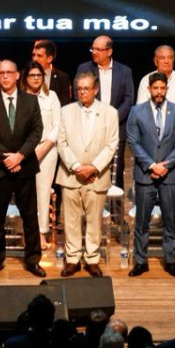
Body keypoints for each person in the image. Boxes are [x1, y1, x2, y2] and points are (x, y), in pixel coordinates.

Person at [0, 60, 45, 277]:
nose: (5, 76)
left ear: (18, 76)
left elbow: (37, 131)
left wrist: (20, 156)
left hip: (24, 168)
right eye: (1, 73)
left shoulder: (30, 101)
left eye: (9, 73)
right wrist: (6, 158)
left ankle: (33, 260)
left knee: (29, 218)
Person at [56, 71, 120, 277]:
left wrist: (93, 167)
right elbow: (61, 142)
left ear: (95, 89)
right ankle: (72, 258)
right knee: (71, 219)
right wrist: (76, 166)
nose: (82, 92)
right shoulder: (66, 111)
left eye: (86, 88)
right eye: (79, 89)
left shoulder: (110, 112)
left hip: (97, 175)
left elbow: (112, 144)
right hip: (70, 175)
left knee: (94, 219)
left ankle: (92, 258)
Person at [127, 72, 175, 277]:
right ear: (149, 89)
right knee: (142, 220)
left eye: (162, 88)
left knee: (170, 220)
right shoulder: (137, 112)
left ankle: (170, 261)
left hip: (170, 175)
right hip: (146, 175)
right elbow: (133, 142)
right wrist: (152, 165)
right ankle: (140, 260)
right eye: (156, 88)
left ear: (167, 89)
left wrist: (165, 166)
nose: (159, 92)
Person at [75, 35, 134, 191]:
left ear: (109, 51)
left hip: (116, 130)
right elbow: (78, 96)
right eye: (92, 49)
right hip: (90, 129)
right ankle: (91, 211)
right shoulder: (84, 69)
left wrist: (113, 118)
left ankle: (116, 213)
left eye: (98, 49)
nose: (94, 52)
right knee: (91, 170)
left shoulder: (125, 71)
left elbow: (128, 100)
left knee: (116, 173)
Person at [21, 60, 62, 249]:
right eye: (32, 75)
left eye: (39, 75)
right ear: (25, 78)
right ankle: (26, 232)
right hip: (23, 151)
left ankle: (41, 233)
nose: (36, 78)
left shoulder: (51, 96)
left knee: (43, 193)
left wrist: (43, 149)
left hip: (47, 150)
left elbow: (57, 126)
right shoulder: (19, 97)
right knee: (25, 193)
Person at [135, 44, 175, 117]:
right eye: (162, 58)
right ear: (155, 61)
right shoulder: (146, 80)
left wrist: (172, 124)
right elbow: (141, 109)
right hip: (151, 126)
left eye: (170, 58)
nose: (166, 61)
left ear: (174, 60)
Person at [32, 40, 71, 106]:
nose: (35, 59)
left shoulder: (62, 78)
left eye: (39, 56)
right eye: (34, 55)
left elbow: (64, 105)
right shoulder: (23, 75)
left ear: (49, 59)